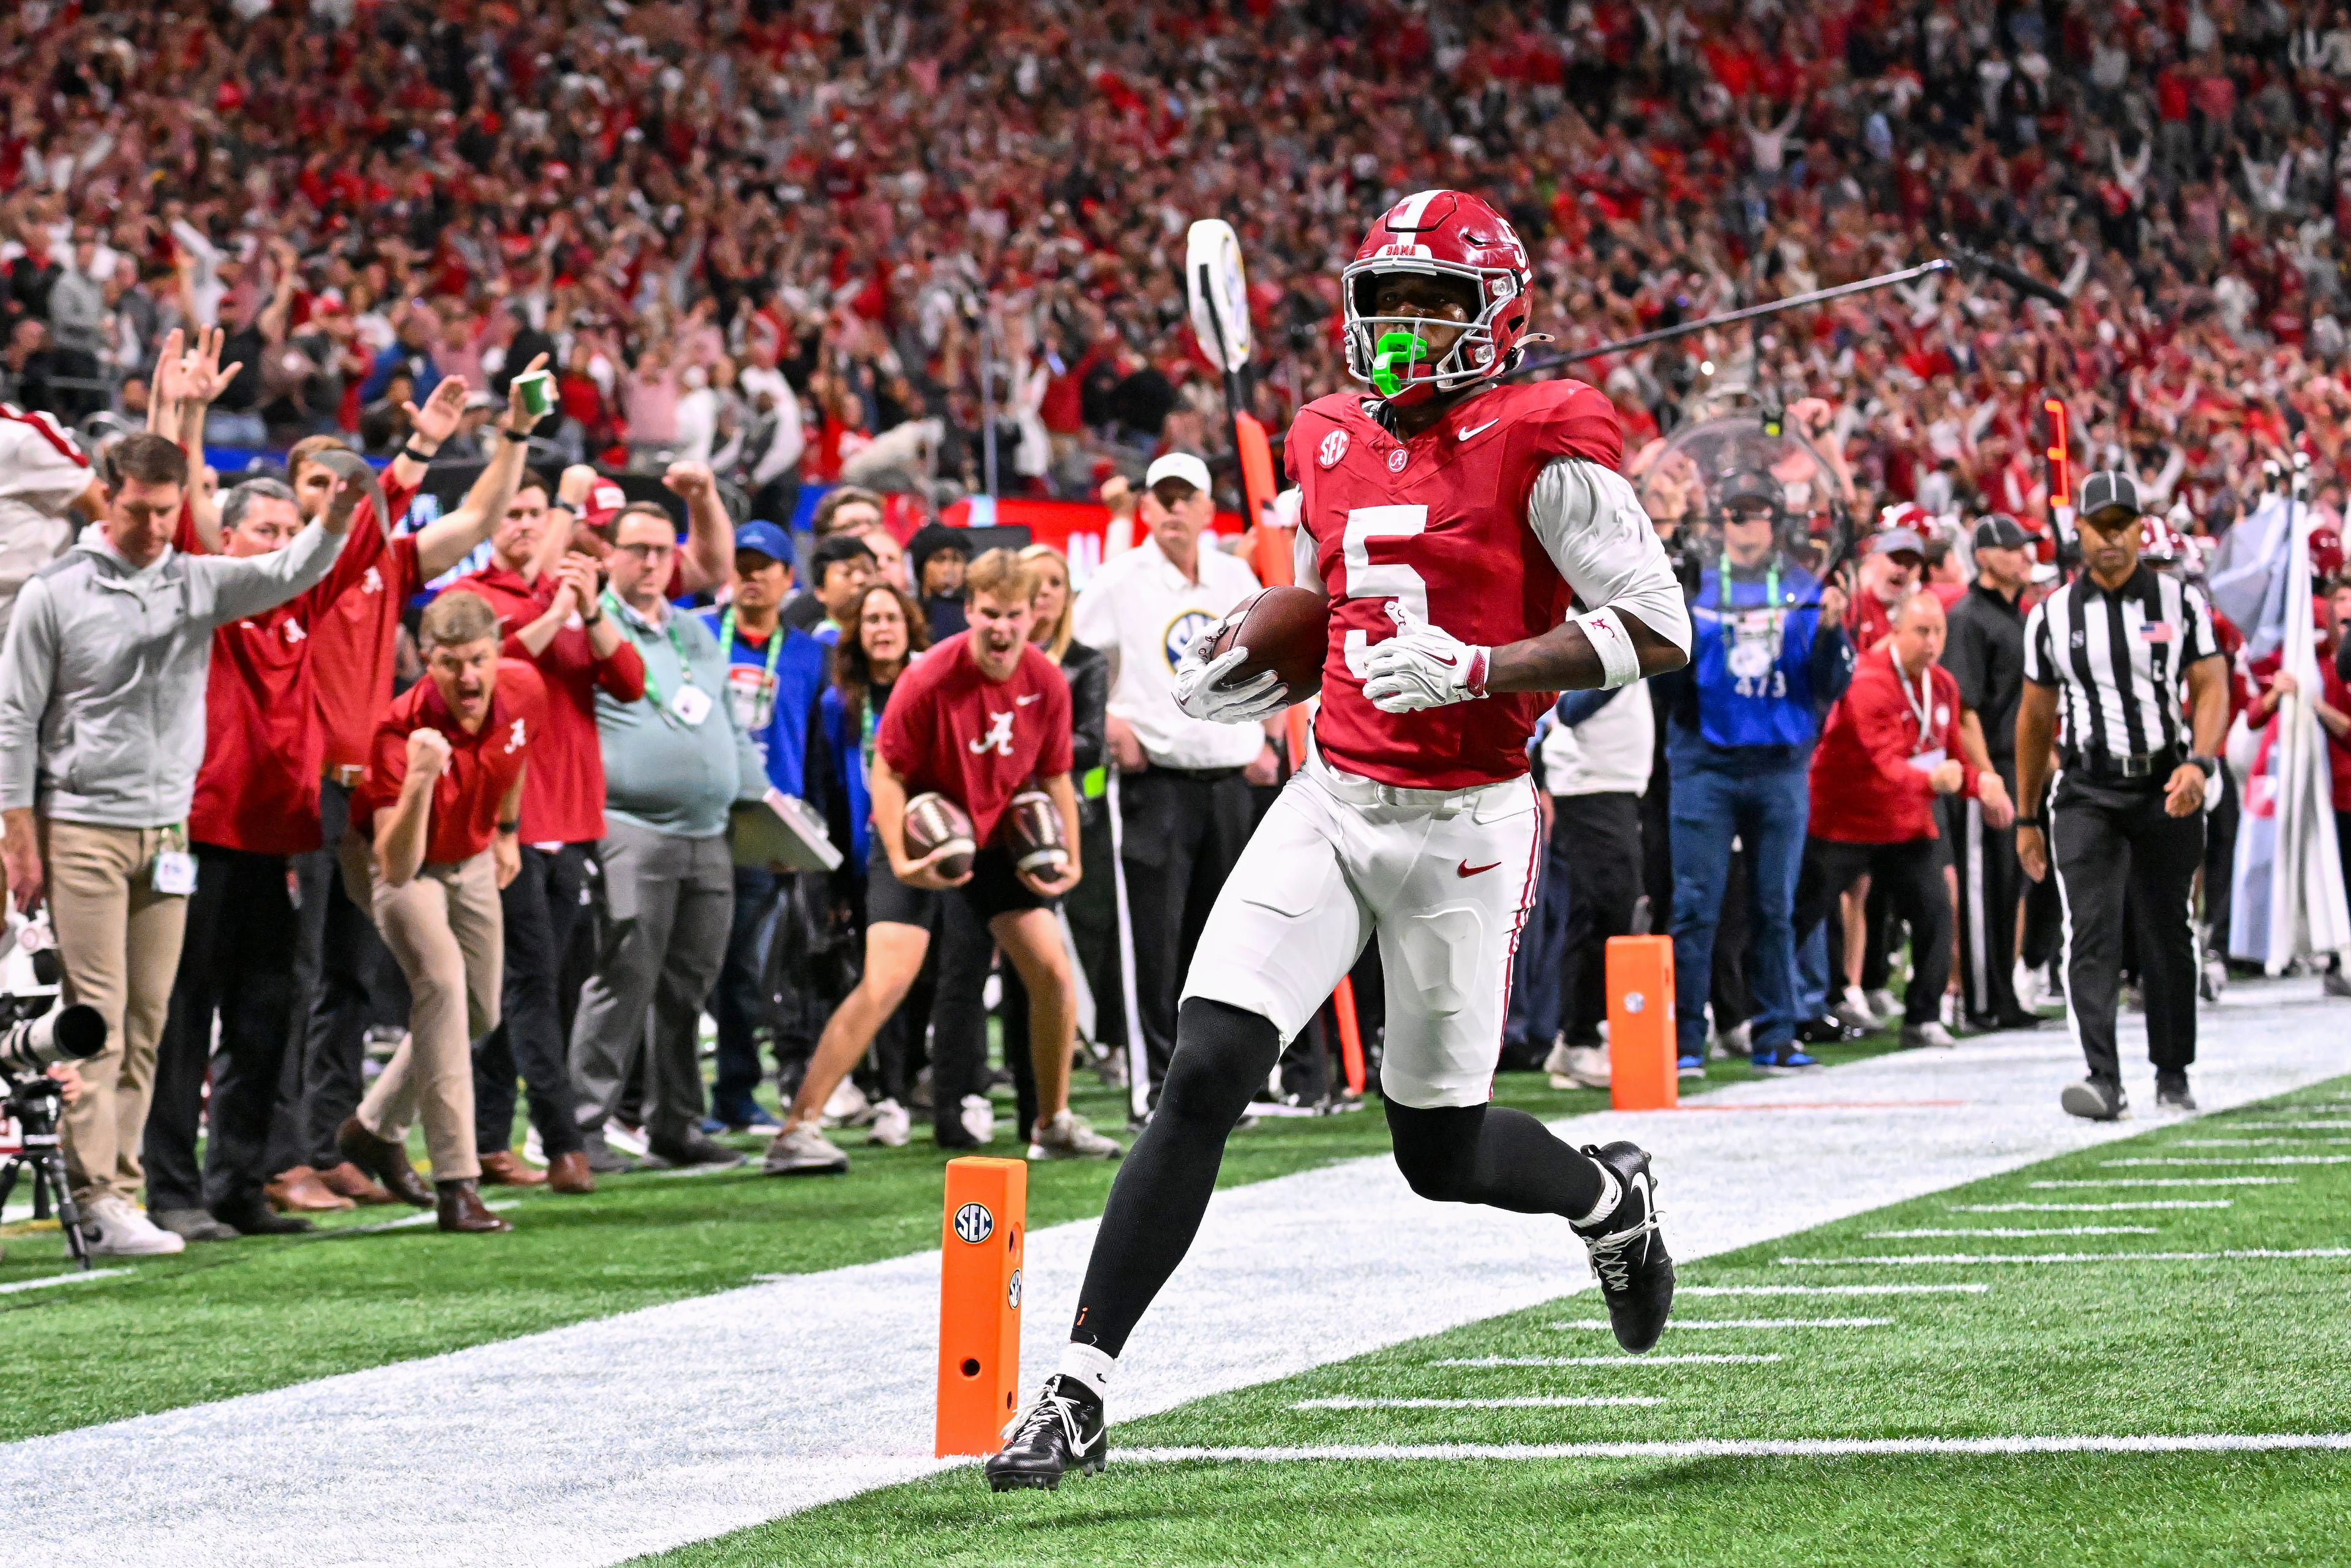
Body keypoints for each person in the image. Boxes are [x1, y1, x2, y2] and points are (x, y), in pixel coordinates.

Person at [988, 190, 1690, 1490]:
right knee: (1204, 1070)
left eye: (1437, 301)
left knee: (1440, 1152)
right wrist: (1247, 666)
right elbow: (1329, 608)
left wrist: (1483, 666)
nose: (1407, 324)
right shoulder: (1321, 433)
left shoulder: (1549, 432)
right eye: (1390, 299)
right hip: (1334, 793)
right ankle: (1078, 1389)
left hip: (1470, 820)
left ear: (1499, 315)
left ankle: (1609, 1200)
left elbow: (1657, 626)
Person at [0, 433, 356, 1258]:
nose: (158, 526)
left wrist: (333, 523)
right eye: (141, 510)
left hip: (168, 830)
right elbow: (14, 716)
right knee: (99, 1012)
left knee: (150, 1018)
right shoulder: (55, 591)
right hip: (83, 823)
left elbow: (287, 573)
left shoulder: (194, 582)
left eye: (167, 510)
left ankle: (118, 1189)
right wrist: (18, 831)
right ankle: (99, 1193)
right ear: (107, 497)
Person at [764, 549, 1113, 1171]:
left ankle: (1052, 1121)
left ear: (1032, 615)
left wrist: (1073, 858)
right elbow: (888, 772)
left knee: (1053, 973)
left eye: (1014, 614)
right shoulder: (928, 677)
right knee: (887, 979)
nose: (1002, 627)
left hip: (998, 832)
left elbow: (1056, 774)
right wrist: (901, 857)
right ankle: (798, 1129)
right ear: (969, 611)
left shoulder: (1046, 680)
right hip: (925, 828)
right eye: (990, 614)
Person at [142, 475, 417, 1241]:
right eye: (266, 530)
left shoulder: (303, 605)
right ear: (224, 539)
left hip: (281, 839)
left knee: (266, 1015)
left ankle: (238, 1185)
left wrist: (412, 458)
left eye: (290, 532)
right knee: (185, 1015)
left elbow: (351, 545)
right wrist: (186, 421)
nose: (281, 544)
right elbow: (180, 505)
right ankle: (172, 1189)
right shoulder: (201, 597)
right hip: (202, 834)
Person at [449, 473, 645, 1193]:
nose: (525, 525)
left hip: (575, 818)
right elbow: (500, 667)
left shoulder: (570, 596)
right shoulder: (470, 599)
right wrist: (558, 606)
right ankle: (564, 1140)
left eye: (535, 512)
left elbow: (629, 681)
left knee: (540, 985)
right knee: (530, 983)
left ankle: (488, 1138)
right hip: (510, 822)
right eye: (511, 513)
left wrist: (589, 610)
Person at [2017, 471, 2227, 1120]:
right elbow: (2034, 718)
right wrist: (2026, 816)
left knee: (2167, 928)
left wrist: (2200, 762)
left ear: (2140, 528)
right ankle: (2102, 1077)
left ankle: (2173, 1070)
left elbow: (2212, 683)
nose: (2111, 538)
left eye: (2122, 524)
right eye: (2099, 525)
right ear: (2077, 530)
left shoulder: (2179, 601)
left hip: (2166, 782)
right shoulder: (2051, 615)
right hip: (2087, 786)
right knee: (2091, 929)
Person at [333, 591, 543, 1234]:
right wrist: (423, 777)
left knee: (481, 1009)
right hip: (400, 860)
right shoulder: (399, 733)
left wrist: (507, 828)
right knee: (443, 987)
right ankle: (458, 1183)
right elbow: (397, 864)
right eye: (451, 664)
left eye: (478, 659)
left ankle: (372, 1128)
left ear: (498, 653)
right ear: (428, 661)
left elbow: (515, 753)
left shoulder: (522, 688)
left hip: (471, 852)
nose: (468, 677)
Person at [568, 500, 765, 1172]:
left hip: (709, 832)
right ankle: (582, 1126)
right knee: (623, 977)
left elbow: (729, 722)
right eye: (638, 549)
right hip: (633, 826)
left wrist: (764, 801)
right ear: (609, 554)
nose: (652, 561)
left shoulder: (693, 631)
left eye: (662, 549)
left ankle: (676, 1124)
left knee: (689, 986)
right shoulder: (590, 623)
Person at [1070, 451, 1273, 1103]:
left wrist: (1267, 732)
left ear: (1209, 509)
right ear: (1146, 507)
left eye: (1187, 497)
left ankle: (1214, 1084)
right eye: (1163, 497)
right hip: (1154, 781)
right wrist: (1107, 721)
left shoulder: (1234, 574)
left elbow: (1267, 655)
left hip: (1229, 779)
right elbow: (1075, 663)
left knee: (1225, 942)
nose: (1174, 508)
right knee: (1152, 943)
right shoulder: (1117, 580)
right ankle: (1154, 1086)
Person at [1657, 473, 1853, 1076]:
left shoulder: (1805, 587)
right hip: (1705, 762)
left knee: (1776, 905)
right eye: (1735, 513)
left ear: (1777, 521)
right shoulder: (1693, 586)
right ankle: (1686, 1040)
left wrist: (1830, 633)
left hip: (1779, 763)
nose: (1747, 524)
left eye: (1759, 512)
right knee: (1695, 906)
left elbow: (1831, 684)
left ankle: (1777, 1034)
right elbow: (1667, 680)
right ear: (1718, 521)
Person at [1796, 592, 2008, 1051]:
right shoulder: (1868, 680)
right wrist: (1934, 779)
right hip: (1843, 821)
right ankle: (1766, 1011)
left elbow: (1952, 755)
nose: (1932, 643)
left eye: (1939, 632)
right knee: (1799, 916)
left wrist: (1982, 785)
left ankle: (1923, 1017)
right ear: (1896, 631)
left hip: (1905, 822)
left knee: (1937, 909)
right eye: (1922, 632)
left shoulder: (1942, 684)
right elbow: (1884, 762)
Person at [703, 519, 829, 1133]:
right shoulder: (701, 634)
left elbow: (819, 749)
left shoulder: (810, 655)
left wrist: (805, 834)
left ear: (787, 578)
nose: (751, 577)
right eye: (743, 566)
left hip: (768, 826)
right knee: (689, 967)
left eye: (764, 567)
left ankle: (735, 1091)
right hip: (702, 815)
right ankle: (659, 1104)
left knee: (746, 971)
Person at [817, 580, 932, 1128]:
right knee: (881, 980)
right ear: (856, 634)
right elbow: (830, 792)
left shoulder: (931, 689)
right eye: (872, 620)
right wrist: (836, 879)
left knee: (931, 979)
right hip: (870, 860)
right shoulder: (838, 703)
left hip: (935, 853)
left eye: (892, 618)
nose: (883, 629)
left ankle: (930, 1082)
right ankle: (889, 1094)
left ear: (910, 628)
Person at [1941, 514, 2042, 1030]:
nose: (2025, 556)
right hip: (1991, 767)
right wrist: (1986, 777)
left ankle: (2004, 993)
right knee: (1983, 887)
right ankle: (1981, 1001)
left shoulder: (2017, 616)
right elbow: (1965, 710)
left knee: (2011, 886)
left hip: (2019, 764)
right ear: (1982, 556)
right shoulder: (1968, 618)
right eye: (2013, 547)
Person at [1535, 673, 1654, 1088]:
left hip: (1612, 783)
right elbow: (1571, 708)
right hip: (1590, 785)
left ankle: (1580, 1035)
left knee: (1605, 912)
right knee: (1606, 913)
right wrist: (1630, 656)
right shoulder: (1606, 639)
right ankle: (1579, 1038)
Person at [783, 532, 877, 642]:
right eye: (847, 573)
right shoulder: (816, 642)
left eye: (867, 571)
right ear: (821, 591)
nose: (860, 579)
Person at [907, 522, 972, 640]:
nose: (948, 569)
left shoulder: (974, 615)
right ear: (922, 567)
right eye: (939, 559)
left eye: (956, 559)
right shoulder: (909, 615)